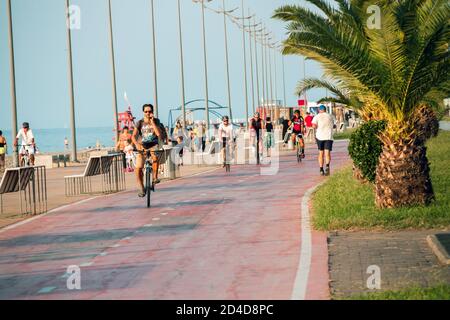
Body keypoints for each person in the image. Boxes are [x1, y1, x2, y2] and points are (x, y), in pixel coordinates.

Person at [132, 104, 163, 197]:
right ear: (143, 112)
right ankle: (141, 188)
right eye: (146, 111)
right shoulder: (139, 123)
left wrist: (152, 122)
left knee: (155, 157)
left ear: (152, 112)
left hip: (153, 145)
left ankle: (155, 177)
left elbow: (158, 134)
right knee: (138, 168)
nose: (147, 113)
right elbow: (133, 136)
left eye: (149, 111)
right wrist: (137, 144)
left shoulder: (156, 121)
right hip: (142, 146)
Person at [312, 105, 334, 176]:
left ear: (319, 110)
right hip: (328, 137)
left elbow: (314, 126)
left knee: (321, 153)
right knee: (327, 153)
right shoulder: (330, 116)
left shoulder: (317, 116)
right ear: (325, 110)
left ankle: (321, 169)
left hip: (320, 137)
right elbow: (333, 125)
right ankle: (327, 166)